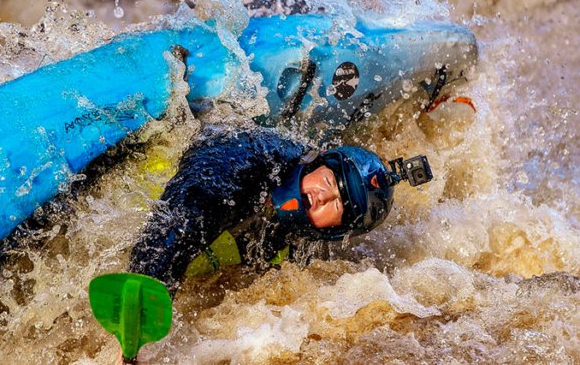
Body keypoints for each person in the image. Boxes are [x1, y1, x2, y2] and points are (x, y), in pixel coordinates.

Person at [127, 125, 432, 292]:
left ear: (335, 230)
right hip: (143, 190)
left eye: (336, 205)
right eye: (326, 181)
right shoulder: (249, 159)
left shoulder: (304, 246)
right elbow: (185, 215)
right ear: (317, 161)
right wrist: (149, 295)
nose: (320, 198)